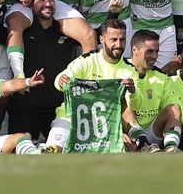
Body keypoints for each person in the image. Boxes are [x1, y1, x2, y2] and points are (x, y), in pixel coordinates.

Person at [0, 0, 92, 142]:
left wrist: (112, 15)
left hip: (58, 110)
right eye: (42, 0)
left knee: (64, 159)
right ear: (31, 3)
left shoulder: (66, 33)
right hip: (24, 109)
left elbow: (97, 36)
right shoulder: (22, 33)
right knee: (20, 156)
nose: (48, 4)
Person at [44, 19, 137, 152]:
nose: (118, 44)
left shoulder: (129, 69)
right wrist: (60, 81)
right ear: (102, 39)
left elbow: (130, 107)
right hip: (70, 118)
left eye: (122, 40)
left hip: (106, 125)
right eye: (113, 39)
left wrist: (133, 92)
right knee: (52, 152)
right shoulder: (87, 60)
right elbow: (61, 79)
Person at [122, 30, 182, 152]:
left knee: (175, 108)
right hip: (128, 134)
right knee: (126, 107)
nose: (154, 56)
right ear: (135, 50)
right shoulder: (120, 70)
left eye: (156, 52)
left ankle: (171, 149)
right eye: (149, 51)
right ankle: (141, 144)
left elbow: (174, 107)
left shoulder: (160, 76)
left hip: (152, 132)